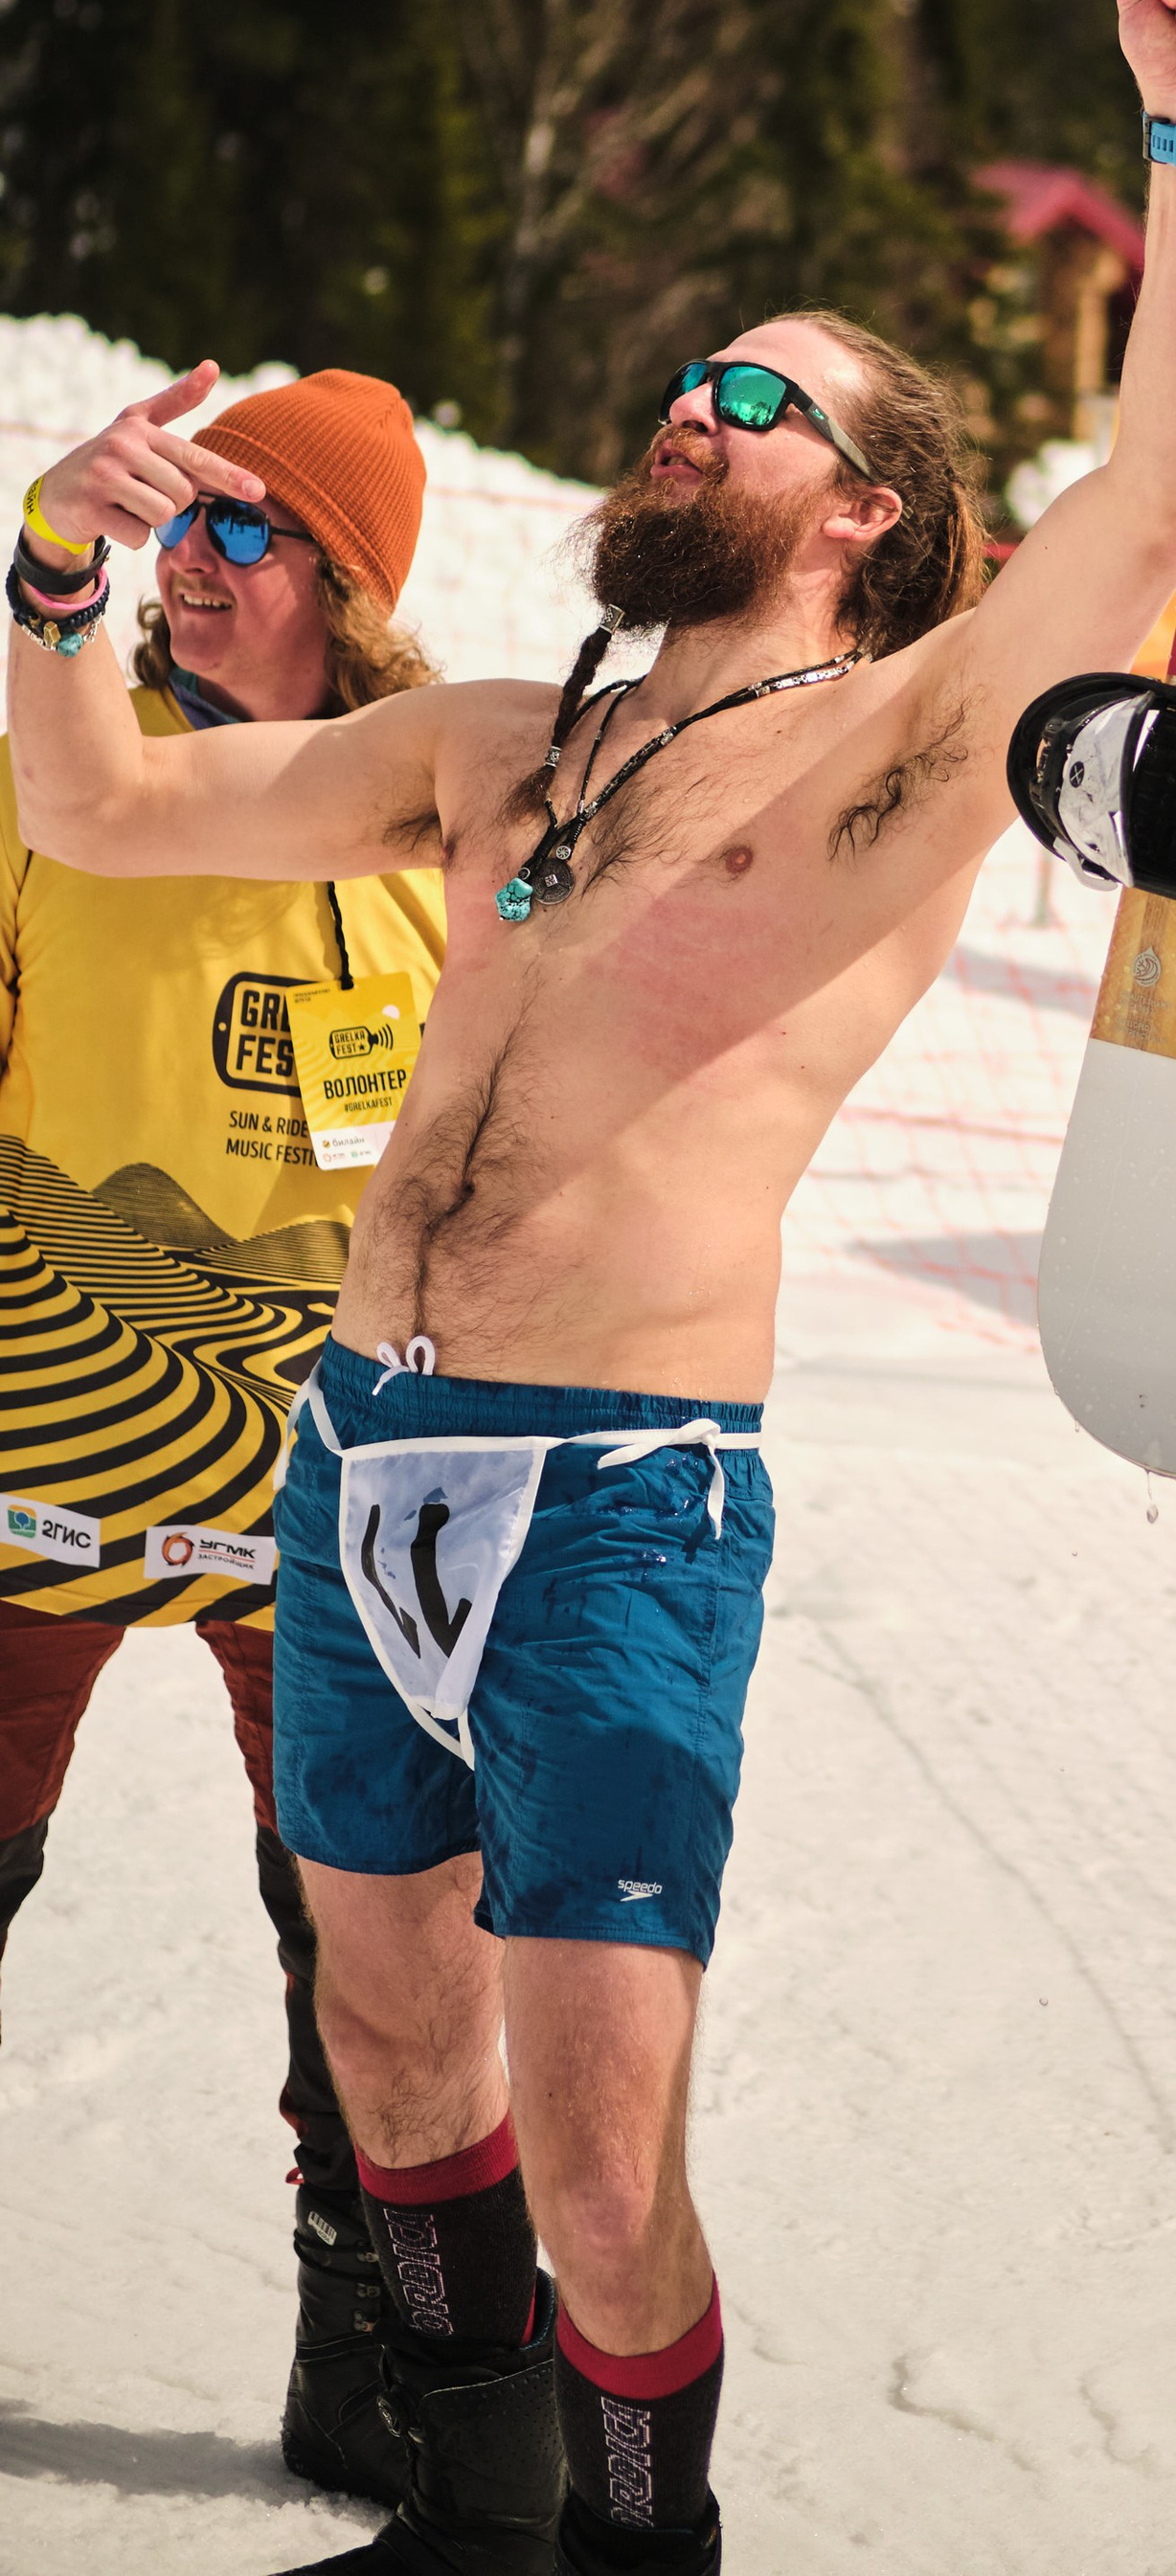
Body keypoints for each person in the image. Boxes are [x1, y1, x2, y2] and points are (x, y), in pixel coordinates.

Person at [7, 0, 1176, 2576]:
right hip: (355, 1456)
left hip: (617, 1488)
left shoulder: (895, 750)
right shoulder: (502, 746)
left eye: (759, 400)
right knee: (390, 2056)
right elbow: (99, 810)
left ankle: (628, 2553)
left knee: (599, 2157)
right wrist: (52, 582)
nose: (693, 409)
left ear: (868, 510)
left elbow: (1149, 509)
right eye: (692, 380)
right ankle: (468, 2521)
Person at [0, 366, 445, 2505]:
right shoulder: (55, 776)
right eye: (184, 516)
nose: (195, 559)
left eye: (247, 527)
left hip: (327, 1490)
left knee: (359, 1945)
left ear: (348, 587)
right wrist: (50, 561)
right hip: (30, 1452)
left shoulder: (443, 820)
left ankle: (366, 2352)